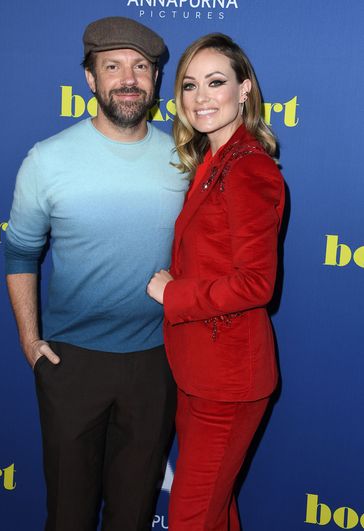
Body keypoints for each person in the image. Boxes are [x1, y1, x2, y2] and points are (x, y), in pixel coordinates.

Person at [5, 16, 187, 531]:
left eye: (141, 67)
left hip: (156, 362)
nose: (128, 78)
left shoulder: (185, 156)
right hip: (71, 363)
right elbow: (19, 251)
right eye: (113, 66)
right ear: (90, 79)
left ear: (154, 80)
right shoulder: (47, 160)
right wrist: (29, 339)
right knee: (68, 514)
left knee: (131, 515)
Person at [147, 33, 285, 530]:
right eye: (189, 85)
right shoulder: (209, 161)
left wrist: (172, 293)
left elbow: (255, 283)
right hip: (198, 371)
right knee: (213, 510)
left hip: (227, 382)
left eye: (216, 82)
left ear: (244, 90)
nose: (201, 97)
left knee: (191, 517)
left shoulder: (250, 169)